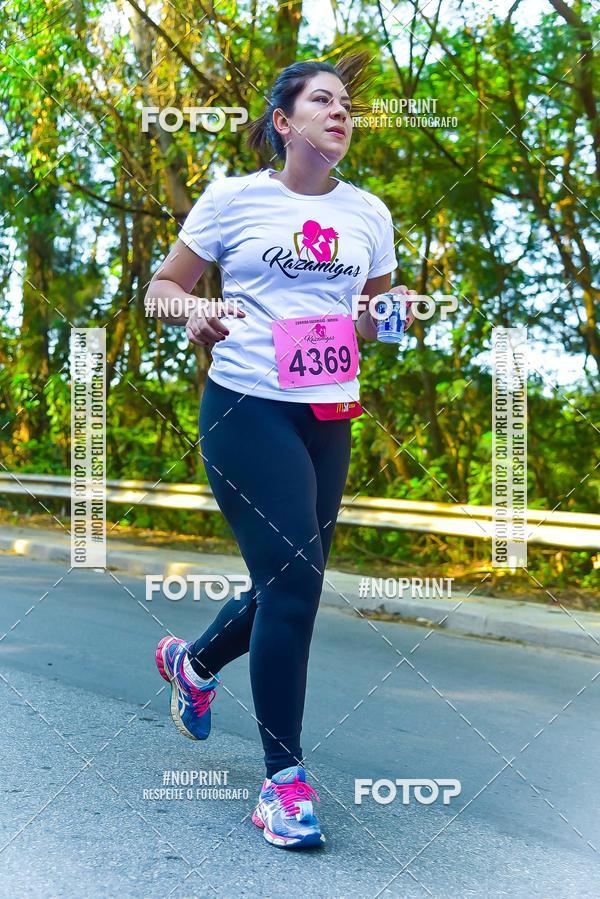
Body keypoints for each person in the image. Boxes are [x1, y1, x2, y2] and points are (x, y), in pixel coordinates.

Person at [147, 53, 415, 850]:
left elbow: (374, 319)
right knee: (294, 576)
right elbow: (164, 284)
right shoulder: (234, 197)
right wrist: (192, 310)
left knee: (290, 581)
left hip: (327, 409)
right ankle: (283, 785)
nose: (341, 112)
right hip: (245, 404)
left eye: (346, 105)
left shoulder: (370, 213)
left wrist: (392, 312)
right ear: (284, 121)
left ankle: (194, 664)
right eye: (323, 101)